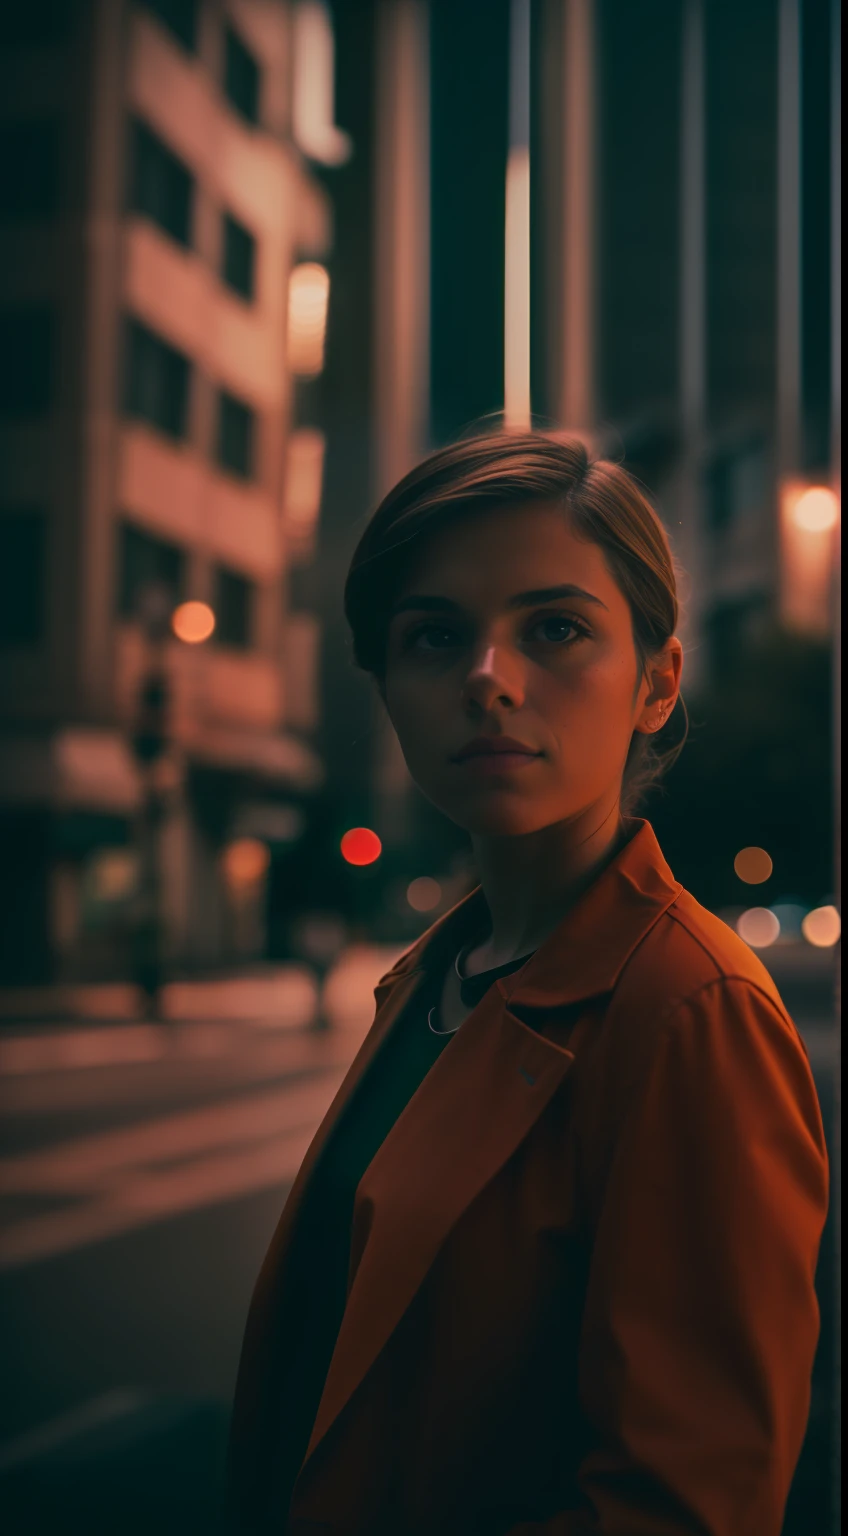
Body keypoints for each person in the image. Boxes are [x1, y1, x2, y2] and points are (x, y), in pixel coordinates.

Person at [226, 433, 828, 1536]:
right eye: (433, 637)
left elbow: (688, 1504)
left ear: (655, 681)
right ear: (387, 685)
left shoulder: (689, 1014)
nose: (486, 679)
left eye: (553, 629)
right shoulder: (438, 973)